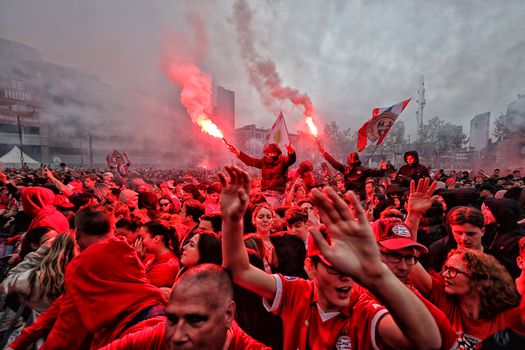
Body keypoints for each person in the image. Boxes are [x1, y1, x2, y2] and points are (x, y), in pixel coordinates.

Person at [219, 165, 441, 349]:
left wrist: (376, 273)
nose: (345, 278)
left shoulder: (362, 310)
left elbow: (427, 341)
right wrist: (231, 219)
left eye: (351, 269)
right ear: (310, 267)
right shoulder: (297, 293)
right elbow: (240, 270)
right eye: (334, 268)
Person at [7, 205, 165, 350]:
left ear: (78, 234)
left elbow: (66, 332)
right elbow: (65, 301)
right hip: (153, 329)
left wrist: (20, 344)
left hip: (127, 336)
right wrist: (24, 339)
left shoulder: (85, 263)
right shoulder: (129, 254)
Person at [98, 264, 270, 350]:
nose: (177, 336)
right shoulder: (159, 334)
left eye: (194, 320)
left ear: (228, 314)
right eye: (171, 318)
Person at [409, 248, 524, 347]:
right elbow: (410, 262)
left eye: (453, 270)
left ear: (480, 280)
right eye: (446, 268)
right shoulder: (444, 298)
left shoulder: (507, 316)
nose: (445, 274)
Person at [227, 142, 296, 207]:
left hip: (276, 194)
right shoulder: (263, 162)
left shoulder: (283, 161)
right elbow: (250, 161)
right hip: (263, 193)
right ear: (267, 154)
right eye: (270, 153)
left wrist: (291, 152)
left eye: (274, 153)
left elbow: (291, 160)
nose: (272, 155)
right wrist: (238, 152)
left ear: (278, 153)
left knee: (270, 208)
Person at [317, 144, 386, 197]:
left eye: (352, 160)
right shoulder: (346, 169)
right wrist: (324, 153)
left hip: (360, 198)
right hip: (349, 197)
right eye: (350, 160)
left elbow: (379, 173)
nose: (351, 162)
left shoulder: (364, 170)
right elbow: (334, 163)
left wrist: (383, 168)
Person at [135, 220, 180, 288]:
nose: (139, 242)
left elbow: (140, 288)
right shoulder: (152, 255)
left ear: (156, 239)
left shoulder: (166, 266)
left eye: (142, 238)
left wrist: (136, 259)